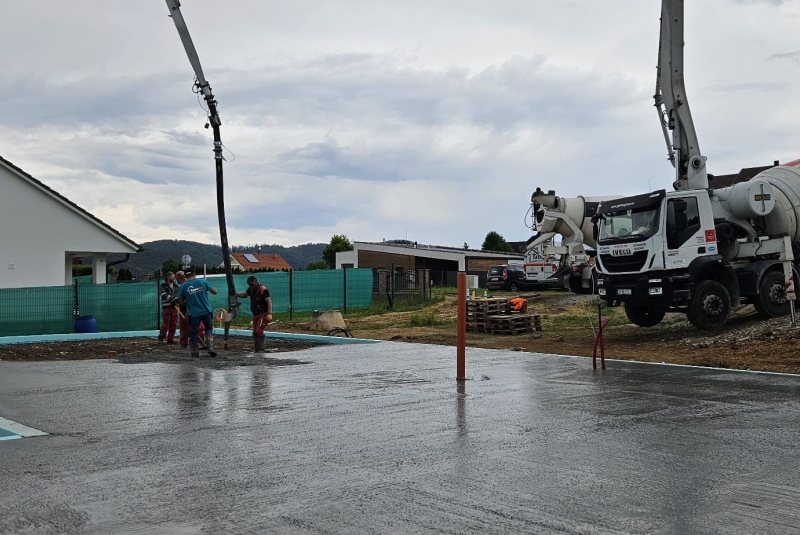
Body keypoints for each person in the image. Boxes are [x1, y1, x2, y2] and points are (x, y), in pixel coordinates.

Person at [177, 270, 218, 358]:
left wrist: (189, 303)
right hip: (206, 310)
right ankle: (210, 348)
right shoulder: (202, 282)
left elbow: (180, 301)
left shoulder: (183, 286)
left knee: (194, 332)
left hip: (193, 313)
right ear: (194, 274)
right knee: (208, 329)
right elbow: (215, 292)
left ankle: (195, 351)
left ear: (186, 276)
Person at [235, 275, 273, 353]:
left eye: (252, 285)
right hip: (256, 313)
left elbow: (269, 301)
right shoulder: (251, 289)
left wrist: (269, 313)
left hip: (263, 313)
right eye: (249, 285)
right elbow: (245, 295)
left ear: (256, 282)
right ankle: (257, 349)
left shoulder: (263, 289)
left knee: (259, 330)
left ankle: (261, 349)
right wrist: (236, 294)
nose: (251, 286)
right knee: (254, 332)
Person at [175, 271, 205, 349]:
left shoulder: (184, 286)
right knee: (190, 327)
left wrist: (186, 311)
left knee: (193, 326)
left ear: (178, 278)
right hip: (192, 309)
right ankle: (197, 342)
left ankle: (194, 342)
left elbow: (186, 299)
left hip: (190, 310)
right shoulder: (190, 284)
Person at [157, 272, 179, 343]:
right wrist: (174, 299)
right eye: (172, 276)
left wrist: (176, 300)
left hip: (174, 307)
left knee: (173, 323)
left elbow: (178, 294)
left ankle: (170, 339)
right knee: (166, 323)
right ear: (168, 277)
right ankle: (162, 337)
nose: (174, 277)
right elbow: (164, 295)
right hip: (167, 307)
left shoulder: (176, 286)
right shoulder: (163, 286)